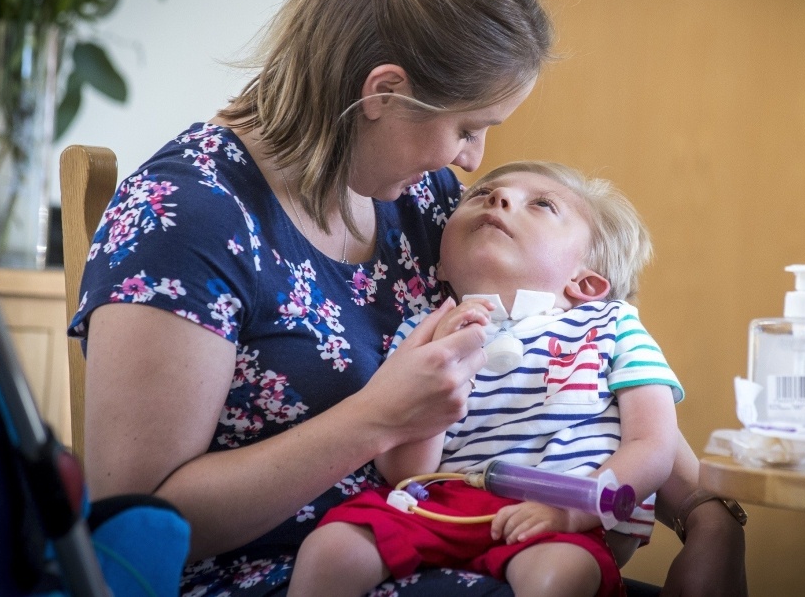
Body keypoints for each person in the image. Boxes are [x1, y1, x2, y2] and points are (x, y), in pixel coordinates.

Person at [69, 0, 746, 597]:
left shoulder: (421, 202)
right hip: (274, 574)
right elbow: (134, 525)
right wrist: (376, 419)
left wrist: (709, 515)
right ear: (384, 94)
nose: (473, 163)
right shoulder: (187, 216)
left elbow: (599, 372)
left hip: (445, 548)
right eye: (467, 128)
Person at [289, 161, 682, 597]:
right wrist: (440, 365)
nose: (499, 198)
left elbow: (654, 445)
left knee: (559, 577)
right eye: (482, 194)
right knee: (333, 548)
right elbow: (405, 471)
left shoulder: (612, 325)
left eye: (542, 205)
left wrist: (575, 508)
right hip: (442, 506)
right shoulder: (423, 332)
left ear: (584, 283)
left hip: (564, 514)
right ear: (441, 268)